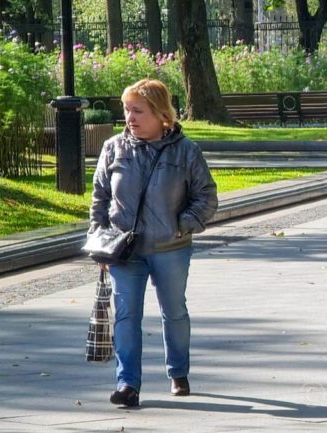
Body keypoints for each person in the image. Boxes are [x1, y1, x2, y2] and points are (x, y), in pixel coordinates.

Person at [88, 79, 218, 407]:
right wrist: (99, 239)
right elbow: (100, 197)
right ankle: (127, 384)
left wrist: (183, 225)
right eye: (126, 110)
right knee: (126, 315)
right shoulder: (114, 148)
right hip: (124, 250)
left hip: (170, 249)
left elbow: (206, 195)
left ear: (161, 114)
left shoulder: (186, 150)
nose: (129, 117)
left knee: (173, 311)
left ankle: (178, 372)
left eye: (137, 111)